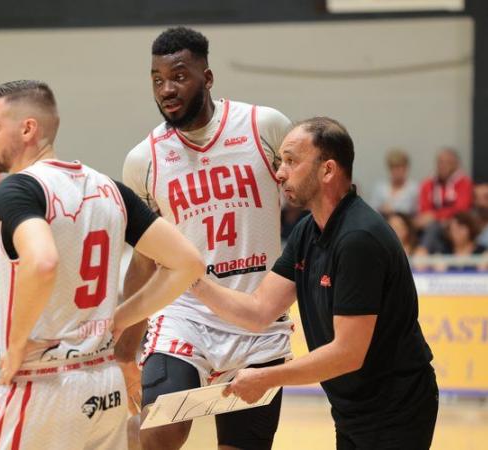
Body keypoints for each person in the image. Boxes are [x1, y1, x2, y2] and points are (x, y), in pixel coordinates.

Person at [0, 80, 203, 450]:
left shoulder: (18, 188)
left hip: (43, 383)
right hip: (103, 381)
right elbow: (188, 263)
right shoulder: (110, 189)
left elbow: (43, 262)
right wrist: (121, 317)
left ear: (28, 128)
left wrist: (16, 344)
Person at [191, 117, 438, 449]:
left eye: (291, 161)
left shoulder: (358, 238)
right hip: (351, 406)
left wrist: (265, 378)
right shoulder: (307, 231)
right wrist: (191, 280)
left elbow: (347, 353)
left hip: (396, 407)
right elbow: (259, 310)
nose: (279, 173)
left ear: (327, 170)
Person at [119, 26, 294, 450]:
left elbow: (309, 205)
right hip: (185, 315)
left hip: (257, 317)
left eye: (179, 76)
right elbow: (145, 259)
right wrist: (124, 346)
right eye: (157, 80)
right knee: (157, 434)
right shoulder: (144, 160)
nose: (166, 89)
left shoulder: (263, 126)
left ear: (208, 77)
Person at [415, 148, 473, 254]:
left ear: (456, 164)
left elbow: (461, 209)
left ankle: (422, 253)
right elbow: (424, 210)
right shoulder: (427, 184)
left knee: (434, 228)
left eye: (447, 162)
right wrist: (431, 217)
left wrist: (436, 216)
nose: (442, 166)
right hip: (431, 225)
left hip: (454, 223)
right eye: (440, 162)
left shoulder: (464, 183)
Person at [368, 148, 418, 216]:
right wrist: (382, 208)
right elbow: (371, 210)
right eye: (393, 168)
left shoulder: (413, 188)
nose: (396, 171)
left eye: (399, 167)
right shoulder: (380, 187)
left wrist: (393, 211)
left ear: (406, 168)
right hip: (382, 221)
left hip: (405, 222)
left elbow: (415, 213)